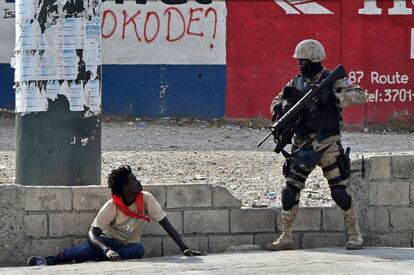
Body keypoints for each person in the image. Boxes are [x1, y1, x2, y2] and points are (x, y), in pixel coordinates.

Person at [267, 39, 366, 251]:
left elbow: (359, 95)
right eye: (298, 61)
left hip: (328, 144)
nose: (299, 65)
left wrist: (332, 97)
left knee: (339, 191)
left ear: (314, 60)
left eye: (303, 61)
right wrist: (283, 105)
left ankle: (355, 234)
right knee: (290, 190)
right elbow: (274, 103)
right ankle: (286, 236)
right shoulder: (294, 83)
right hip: (303, 145)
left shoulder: (332, 80)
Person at [27, 165, 204, 266]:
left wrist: (184, 248)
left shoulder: (146, 198)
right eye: (134, 180)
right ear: (125, 187)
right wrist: (106, 249)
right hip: (108, 243)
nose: (138, 182)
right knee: (85, 249)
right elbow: (92, 234)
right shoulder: (113, 205)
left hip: (129, 246)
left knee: (139, 250)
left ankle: (96, 258)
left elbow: (165, 223)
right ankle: (48, 261)